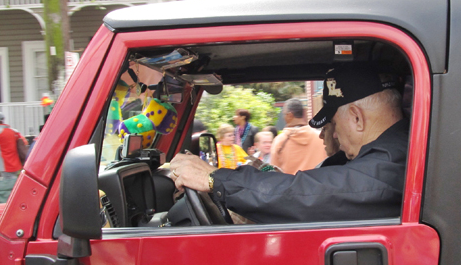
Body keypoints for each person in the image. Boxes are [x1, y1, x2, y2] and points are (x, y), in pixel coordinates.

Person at [168, 66, 407, 224]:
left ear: (356, 117)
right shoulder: (390, 152)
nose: (333, 136)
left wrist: (214, 179)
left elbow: (313, 194)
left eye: (334, 123)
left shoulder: (390, 163)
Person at [271, 98, 327, 174]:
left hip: (291, 185)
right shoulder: (320, 137)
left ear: (290, 115)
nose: (283, 117)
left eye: (284, 114)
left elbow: (273, 172)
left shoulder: (280, 141)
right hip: (317, 183)